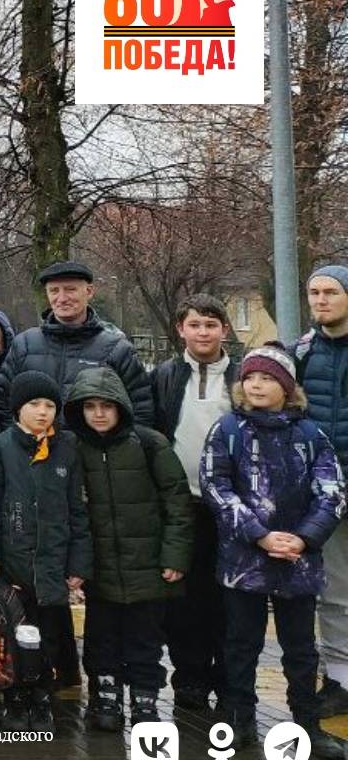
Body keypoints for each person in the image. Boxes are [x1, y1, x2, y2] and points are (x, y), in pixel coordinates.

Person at [204, 343, 347, 756]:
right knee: (241, 645)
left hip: (298, 562)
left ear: (287, 387)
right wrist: (259, 534)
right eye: (250, 377)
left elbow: (332, 493)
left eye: (268, 377)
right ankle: (239, 720)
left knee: (300, 649)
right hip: (243, 560)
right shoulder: (227, 431)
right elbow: (217, 487)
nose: (257, 385)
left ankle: (306, 725)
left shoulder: (310, 435)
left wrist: (303, 538)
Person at [66, 366, 192, 731]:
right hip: (100, 567)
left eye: (107, 405)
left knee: (145, 638)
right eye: (90, 406)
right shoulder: (73, 448)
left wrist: (174, 555)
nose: (99, 414)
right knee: (100, 636)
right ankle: (105, 696)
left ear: (121, 406)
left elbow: (177, 503)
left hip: (148, 566)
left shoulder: (149, 444)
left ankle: (144, 698)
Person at [0, 370, 91, 733]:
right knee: (16, 635)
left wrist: (78, 563)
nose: (42, 412)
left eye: (50, 405)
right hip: (13, 563)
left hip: (53, 564)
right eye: (34, 404)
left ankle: (43, 696)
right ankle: (16, 697)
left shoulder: (67, 449)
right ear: (17, 409)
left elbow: (78, 510)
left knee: (50, 635)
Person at [152, 294, 237, 714]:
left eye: (211, 324)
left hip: (231, 506)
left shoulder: (242, 377)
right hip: (181, 504)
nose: (203, 332)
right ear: (181, 330)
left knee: (227, 597)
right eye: (195, 324)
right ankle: (188, 679)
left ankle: (229, 680)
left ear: (225, 329)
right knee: (182, 599)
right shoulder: (165, 376)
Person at [0, 260, 154, 427]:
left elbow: (140, 409)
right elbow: (3, 404)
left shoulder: (117, 349)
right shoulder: (24, 345)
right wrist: (20, 444)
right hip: (34, 451)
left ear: (89, 291)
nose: (62, 298)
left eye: (70, 289)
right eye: (54, 291)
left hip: (93, 451)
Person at [297, 265, 348, 716]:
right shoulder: (302, 352)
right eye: (313, 293)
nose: (320, 301)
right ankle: (340, 679)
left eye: (330, 292)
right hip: (325, 494)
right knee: (335, 591)